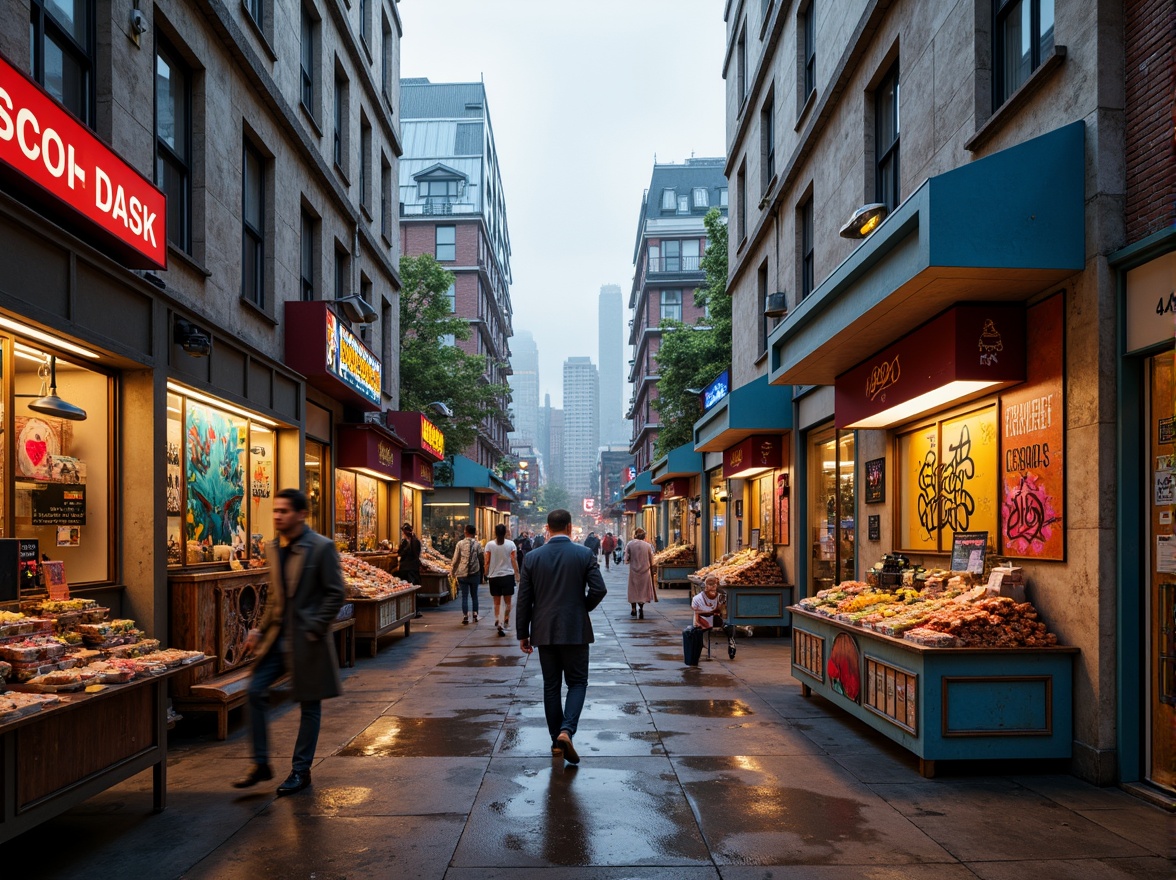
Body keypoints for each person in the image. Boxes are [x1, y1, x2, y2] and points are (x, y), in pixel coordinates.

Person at [233, 488, 345, 796]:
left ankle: (300, 770)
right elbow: (274, 598)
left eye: (283, 511)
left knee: (309, 705)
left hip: (307, 641)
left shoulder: (321, 547)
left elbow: (336, 592)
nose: (277, 516)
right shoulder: (273, 547)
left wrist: (314, 627)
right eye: (275, 511)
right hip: (276, 640)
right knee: (254, 691)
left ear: (301, 514)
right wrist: (258, 629)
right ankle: (260, 763)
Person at [517, 508, 607, 764]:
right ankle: (567, 731)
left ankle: (556, 741)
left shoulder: (532, 557)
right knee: (578, 683)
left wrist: (523, 633)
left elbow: (524, 599)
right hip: (576, 630)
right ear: (569, 527)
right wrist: (582, 608)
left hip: (544, 631)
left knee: (551, 685)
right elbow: (599, 589)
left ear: (548, 528)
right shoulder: (583, 554)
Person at [484, 523, 520, 636]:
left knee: (497, 601)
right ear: (505, 532)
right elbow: (514, 560)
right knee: (508, 602)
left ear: (495, 532)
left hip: (494, 577)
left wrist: (485, 573)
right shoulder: (511, 544)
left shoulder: (489, 545)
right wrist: (517, 573)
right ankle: (506, 618)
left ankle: (498, 620)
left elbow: (487, 561)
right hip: (508, 576)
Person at [450, 524, 482, 625]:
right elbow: (481, 558)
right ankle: (475, 614)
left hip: (462, 574)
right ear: (474, 533)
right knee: (474, 595)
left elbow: (455, 559)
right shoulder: (477, 544)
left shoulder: (460, 544)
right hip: (474, 573)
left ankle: (465, 616)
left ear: (465, 532)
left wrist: (453, 571)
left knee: (464, 596)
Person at [624, 527, 656, 619]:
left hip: (634, 571)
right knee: (642, 591)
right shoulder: (648, 546)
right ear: (644, 536)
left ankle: (633, 608)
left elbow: (626, 559)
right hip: (645, 572)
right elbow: (652, 560)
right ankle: (641, 608)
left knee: (633, 590)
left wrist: (629, 560)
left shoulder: (630, 544)